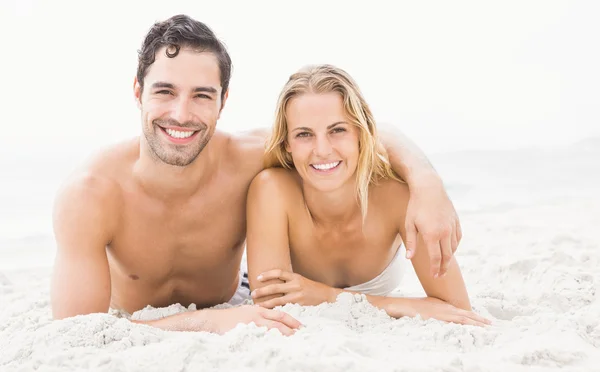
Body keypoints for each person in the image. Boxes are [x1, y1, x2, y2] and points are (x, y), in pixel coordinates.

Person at [51, 15, 463, 335]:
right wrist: (210, 322)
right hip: (172, 317)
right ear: (138, 92)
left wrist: (427, 184)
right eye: (165, 91)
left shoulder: (251, 158)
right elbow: (75, 334)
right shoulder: (91, 195)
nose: (181, 113)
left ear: (223, 101)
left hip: (240, 298)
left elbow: (367, 134)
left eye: (201, 95)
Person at [247, 64, 490, 327]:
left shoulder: (397, 198)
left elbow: (457, 309)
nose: (322, 149)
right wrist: (401, 304)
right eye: (304, 134)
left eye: (337, 130)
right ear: (287, 144)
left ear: (360, 134)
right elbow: (272, 306)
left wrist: (326, 296)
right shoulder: (272, 190)